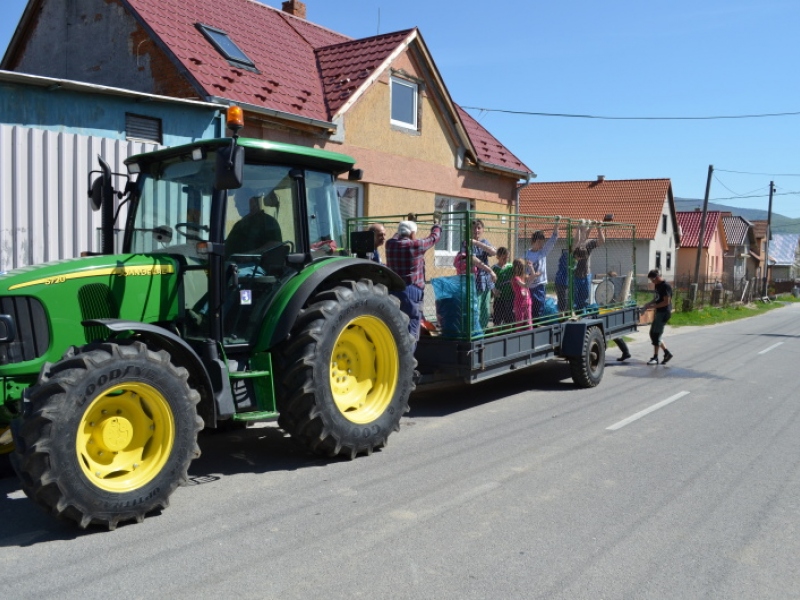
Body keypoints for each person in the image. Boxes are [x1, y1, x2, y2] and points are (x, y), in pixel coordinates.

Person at [385, 215, 442, 345]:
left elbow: (396, 236)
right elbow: (434, 238)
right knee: (412, 329)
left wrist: (408, 224)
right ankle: (408, 360)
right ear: (412, 234)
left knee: (396, 325)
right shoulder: (415, 245)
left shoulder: (390, 244)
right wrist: (437, 225)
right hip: (412, 290)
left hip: (394, 290)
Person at [555, 220, 606, 312]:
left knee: (584, 297)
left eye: (585, 229)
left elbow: (601, 241)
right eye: (583, 229)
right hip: (575, 275)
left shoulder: (589, 243)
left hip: (585, 274)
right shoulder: (574, 246)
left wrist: (598, 228)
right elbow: (578, 240)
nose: (584, 232)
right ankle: (573, 311)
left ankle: (582, 312)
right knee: (574, 298)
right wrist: (582, 227)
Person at [460, 219, 497, 329]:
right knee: (475, 309)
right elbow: (473, 259)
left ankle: (483, 330)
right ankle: (474, 331)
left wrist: (477, 243)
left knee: (485, 309)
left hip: (486, 282)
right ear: (470, 230)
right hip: (474, 282)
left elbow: (493, 252)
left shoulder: (484, 242)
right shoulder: (465, 243)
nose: (476, 230)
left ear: (482, 230)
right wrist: (490, 270)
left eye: (479, 228)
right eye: (474, 228)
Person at [225, 189, 282, 258]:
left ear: (252, 201)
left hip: (256, 266)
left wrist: (251, 255)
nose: (236, 205)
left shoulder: (268, 222)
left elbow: (276, 245)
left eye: (238, 201)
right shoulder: (239, 225)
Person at [525, 216, 561, 319]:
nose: (541, 245)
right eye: (538, 242)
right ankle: (530, 324)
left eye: (542, 243)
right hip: (529, 285)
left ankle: (537, 324)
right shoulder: (527, 254)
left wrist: (557, 222)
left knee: (539, 306)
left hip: (539, 285)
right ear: (533, 242)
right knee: (529, 307)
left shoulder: (543, 252)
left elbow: (553, 238)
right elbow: (523, 268)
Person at [643, 268, 674, 365]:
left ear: (657, 277)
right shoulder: (657, 285)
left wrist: (653, 306)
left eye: (652, 279)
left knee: (655, 334)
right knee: (654, 334)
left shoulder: (666, 286)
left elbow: (666, 302)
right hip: (659, 312)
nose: (652, 282)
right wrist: (649, 303)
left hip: (664, 312)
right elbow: (657, 298)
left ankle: (656, 357)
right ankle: (666, 353)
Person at [491, 247, 514, 326]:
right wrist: (494, 289)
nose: (506, 260)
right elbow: (489, 281)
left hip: (509, 298)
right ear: (498, 257)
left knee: (508, 320)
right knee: (497, 320)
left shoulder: (511, 267)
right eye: (504, 258)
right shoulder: (494, 268)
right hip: (499, 299)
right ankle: (495, 337)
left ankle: (508, 336)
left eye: (507, 258)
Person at [510, 258, 534, 328]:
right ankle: (518, 336)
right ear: (515, 267)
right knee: (520, 322)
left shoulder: (524, 276)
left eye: (522, 266)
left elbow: (533, 276)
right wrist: (532, 278)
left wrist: (531, 267)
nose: (521, 267)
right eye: (519, 266)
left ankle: (530, 334)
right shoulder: (515, 278)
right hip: (519, 304)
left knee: (529, 323)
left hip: (527, 303)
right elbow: (525, 285)